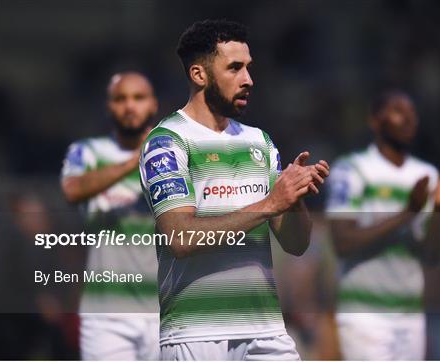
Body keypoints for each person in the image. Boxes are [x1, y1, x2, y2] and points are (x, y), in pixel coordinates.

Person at [138, 19, 329, 361]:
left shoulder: (260, 141)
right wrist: (271, 203)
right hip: (196, 333)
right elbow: (180, 239)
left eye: (249, 68)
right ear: (199, 75)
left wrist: (294, 199)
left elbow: (296, 244)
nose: (248, 80)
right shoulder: (168, 142)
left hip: (265, 331)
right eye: (235, 68)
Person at [326, 90, 440, 360]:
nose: (408, 119)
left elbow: (433, 255)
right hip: (363, 316)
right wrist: (406, 213)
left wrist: (438, 207)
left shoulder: (426, 175)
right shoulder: (352, 169)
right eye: (398, 111)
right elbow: (342, 243)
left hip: (410, 316)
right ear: (375, 121)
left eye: (412, 113)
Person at [61, 72, 160, 360]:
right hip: (105, 315)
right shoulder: (87, 151)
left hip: (164, 309)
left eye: (138, 98)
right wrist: (134, 161)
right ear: (109, 106)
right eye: (120, 99)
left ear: (153, 104)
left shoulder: (172, 152)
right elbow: (72, 190)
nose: (130, 106)